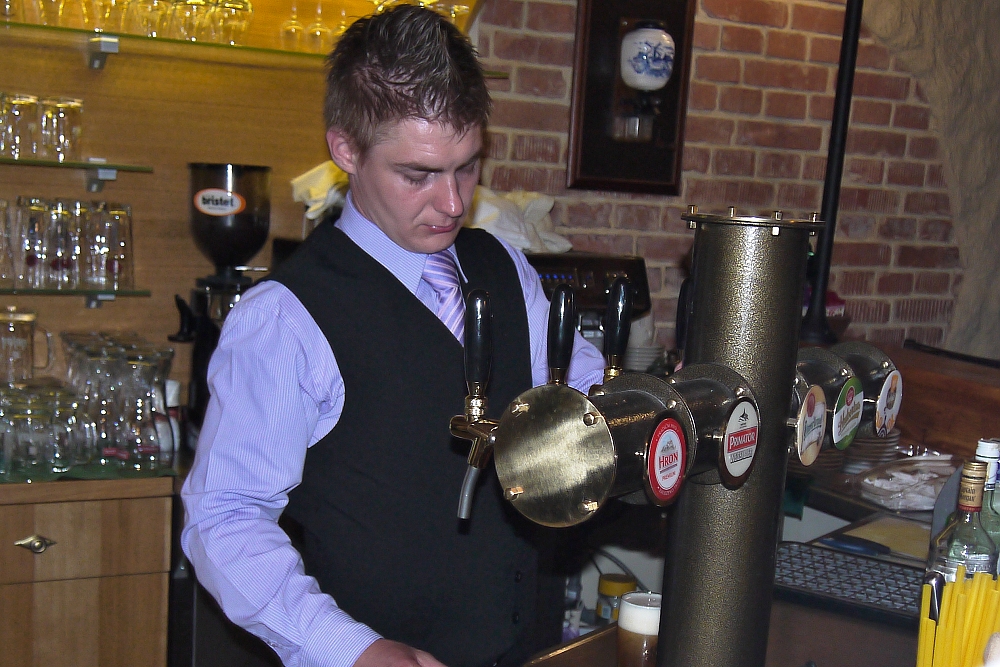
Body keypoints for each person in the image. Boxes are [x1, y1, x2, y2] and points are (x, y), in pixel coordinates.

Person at [180, 6, 607, 667]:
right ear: (346, 149)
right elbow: (224, 518)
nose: (454, 202)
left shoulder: (503, 265)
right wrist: (350, 648)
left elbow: (583, 388)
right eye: (418, 174)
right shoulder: (284, 318)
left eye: (468, 166)